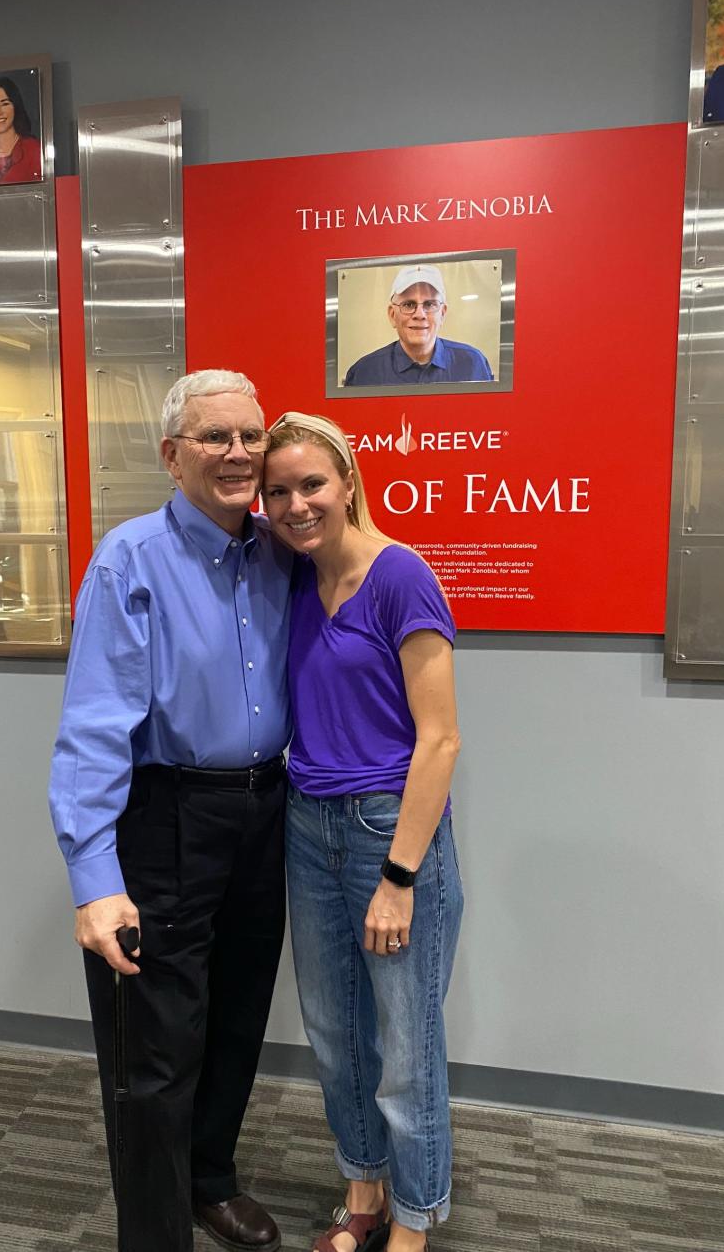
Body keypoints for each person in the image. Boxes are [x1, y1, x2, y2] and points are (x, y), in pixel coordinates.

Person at [49, 370, 292, 1252]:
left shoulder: (279, 550)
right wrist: (93, 877)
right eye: (213, 437)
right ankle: (154, 1235)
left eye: (249, 436)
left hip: (266, 813)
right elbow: (91, 729)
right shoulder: (130, 560)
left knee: (236, 1018)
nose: (237, 453)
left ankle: (210, 1180)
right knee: (153, 1053)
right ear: (171, 454)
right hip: (165, 819)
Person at [263, 412, 463, 1252]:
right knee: (337, 1033)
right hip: (308, 825)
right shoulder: (292, 577)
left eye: (312, 484)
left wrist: (400, 876)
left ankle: (415, 1224)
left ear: (347, 482)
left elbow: (441, 737)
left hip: (391, 834)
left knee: (406, 1047)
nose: (297, 503)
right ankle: (365, 1192)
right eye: (279, 490)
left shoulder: (400, 575)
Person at [344, 264, 493, 387]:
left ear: (442, 314)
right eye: (408, 304)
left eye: (429, 304)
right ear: (392, 315)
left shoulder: (473, 364)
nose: (419, 314)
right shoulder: (364, 373)